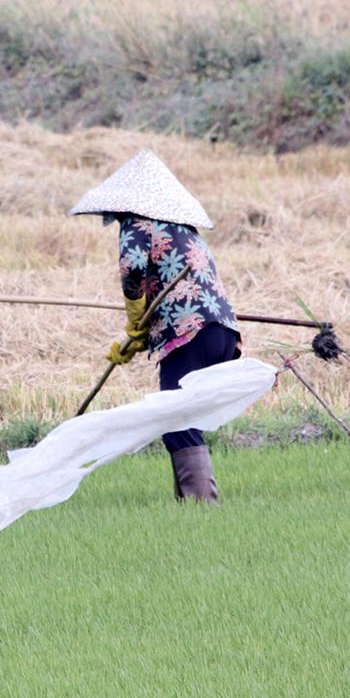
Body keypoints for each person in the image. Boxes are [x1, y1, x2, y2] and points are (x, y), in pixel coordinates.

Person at [70, 148, 238, 503]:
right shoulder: (185, 230)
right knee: (181, 418)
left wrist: (135, 317)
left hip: (189, 332)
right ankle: (189, 509)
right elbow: (169, 290)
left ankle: (202, 508)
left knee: (177, 421)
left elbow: (132, 273)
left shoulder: (137, 224)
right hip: (220, 331)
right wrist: (137, 340)